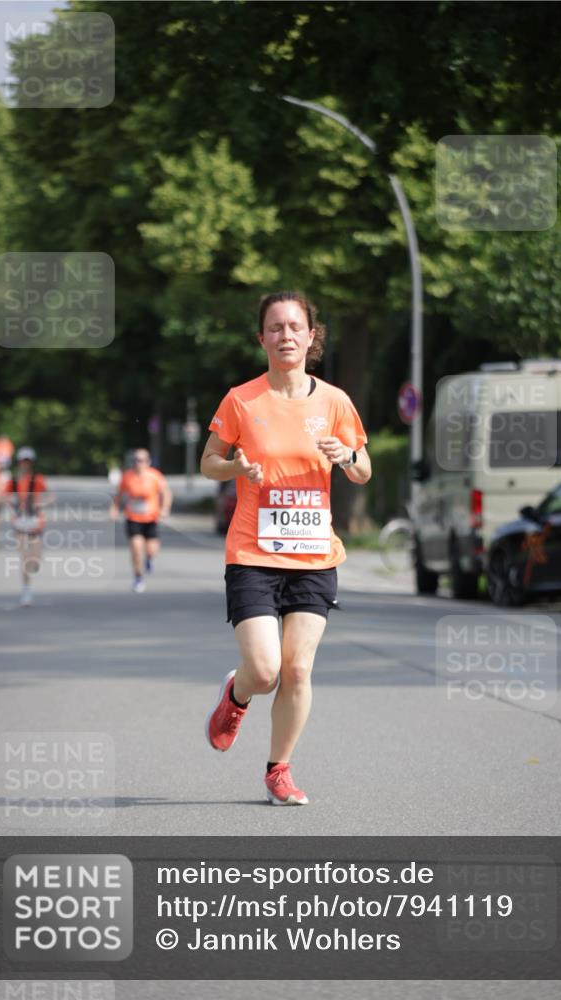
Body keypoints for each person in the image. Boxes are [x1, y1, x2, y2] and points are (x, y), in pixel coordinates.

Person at [201, 291, 371, 805]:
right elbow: (209, 460)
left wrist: (346, 456)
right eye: (275, 328)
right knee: (266, 670)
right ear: (262, 338)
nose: (286, 336)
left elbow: (363, 471)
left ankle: (279, 770)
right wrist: (236, 467)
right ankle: (237, 694)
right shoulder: (241, 400)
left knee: (298, 669)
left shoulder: (335, 402)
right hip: (253, 552)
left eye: (296, 327)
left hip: (314, 555)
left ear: (311, 336)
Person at [110, 449, 172, 593]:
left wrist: (165, 508)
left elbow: (166, 493)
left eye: (141, 460)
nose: (138, 463)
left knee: (152, 550)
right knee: (136, 548)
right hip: (133, 518)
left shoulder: (155, 476)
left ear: (148, 461)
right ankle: (138, 577)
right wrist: (113, 509)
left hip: (151, 518)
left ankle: (149, 559)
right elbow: (118, 495)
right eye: (135, 460)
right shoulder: (127, 476)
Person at [4, 446, 51, 607]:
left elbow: (50, 496)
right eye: (23, 461)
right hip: (20, 523)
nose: (25, 464)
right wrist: (12, 503)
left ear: (32, 463)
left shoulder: (38, 480)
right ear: (18, 463)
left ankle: (31, 573)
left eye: (28, 462)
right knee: (25, 558)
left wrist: (40, 503)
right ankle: (26, 590)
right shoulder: (13, 481)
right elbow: (4, 497)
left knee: (35, 561)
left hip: (36, 522)